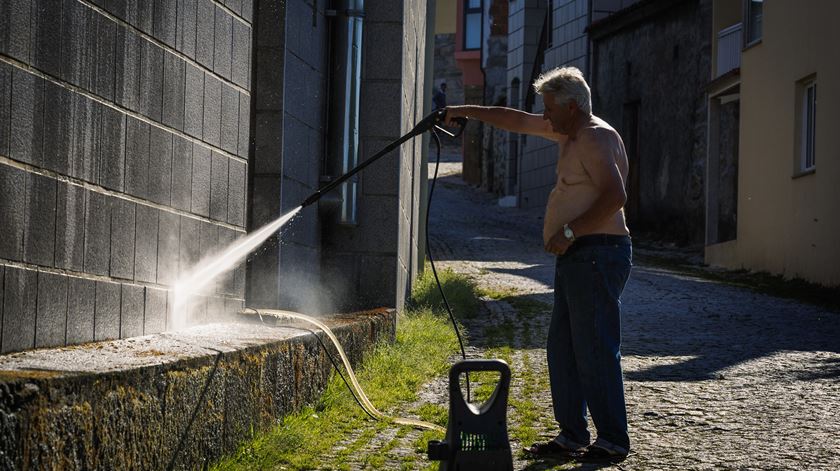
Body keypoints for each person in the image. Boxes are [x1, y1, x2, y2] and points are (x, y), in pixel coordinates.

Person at [444, 66, 632, 461]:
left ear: (572, 107)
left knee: (595, 348)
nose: (544, 116)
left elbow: (615, 196)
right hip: (580, 254)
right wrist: (463, 109)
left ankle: (613, 440)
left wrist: (569, 232)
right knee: (562, 348)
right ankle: (572, 435)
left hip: (598, 251)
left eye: (549, 108)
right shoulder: (568, 130)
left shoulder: (594, 137)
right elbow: (514, 119)